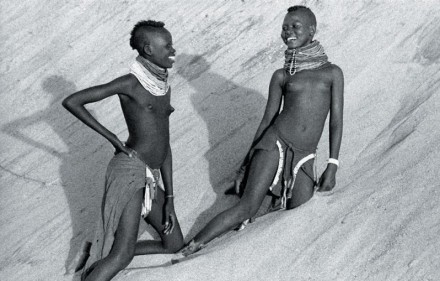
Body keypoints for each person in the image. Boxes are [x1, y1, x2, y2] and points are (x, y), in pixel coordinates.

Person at [178, 5, 344, 256]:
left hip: (306, 155)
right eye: (284, 27)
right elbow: (267, 119)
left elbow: (336, 121)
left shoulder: (332, 73)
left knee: (299, 206)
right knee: (247, 205)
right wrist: (245, 165)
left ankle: (259, 207)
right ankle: (191, 248)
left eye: (295, 26)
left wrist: (332, 164)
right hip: (274, 144)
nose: (288, 31)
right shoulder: (281, 75)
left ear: (312, 30)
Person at [62, 20, 184, 281]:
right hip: (130, 171)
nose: (173, 50)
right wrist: (113, 138)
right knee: (122, 255)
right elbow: (73, 101)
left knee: (174, 243)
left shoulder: (164, 86)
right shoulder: (130, 83)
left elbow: (165, 142)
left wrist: (170, 197)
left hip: (151, 175)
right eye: (168, 46)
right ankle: (109, 261)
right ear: (149, 49)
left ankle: (101, 256)